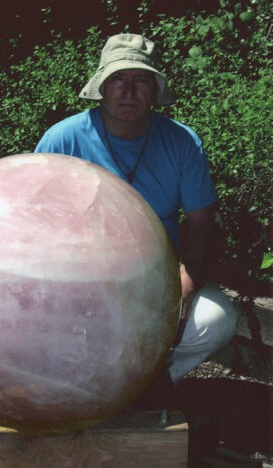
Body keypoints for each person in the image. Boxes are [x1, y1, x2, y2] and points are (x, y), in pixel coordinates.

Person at [35, 33, 237, 385]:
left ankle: (153, 383)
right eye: (118, 79)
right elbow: (32, 221)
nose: (128, 91)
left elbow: (204, 223)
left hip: (157, 278)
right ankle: (72, 383)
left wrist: (183, 288)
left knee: (216, 319)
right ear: (102, 86)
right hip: (77, 277)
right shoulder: (62, 139)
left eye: (141, 80)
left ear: (154, 91)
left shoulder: (183, 142)